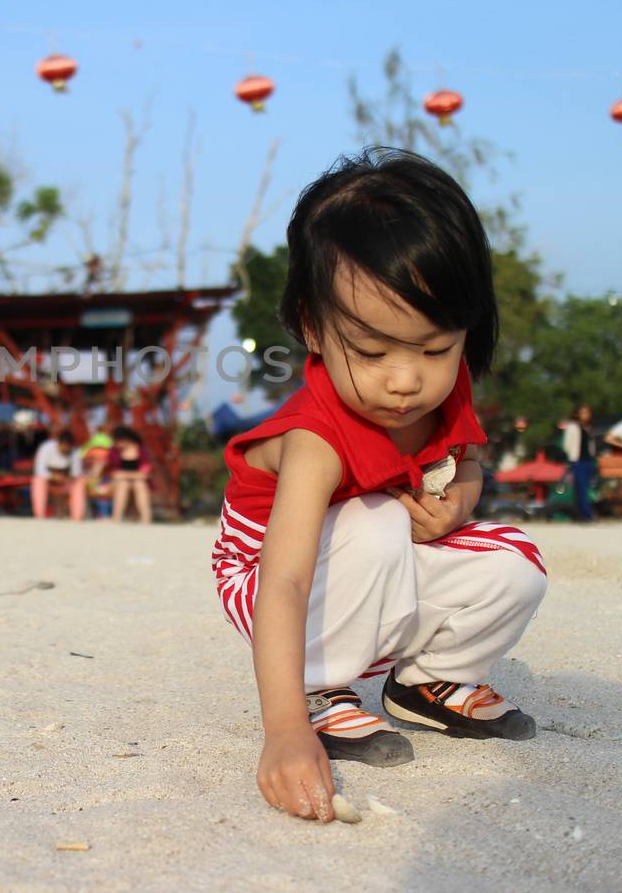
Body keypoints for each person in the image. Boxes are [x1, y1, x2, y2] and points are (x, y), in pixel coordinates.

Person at [212, 149, 547, 823]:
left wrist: (461, 498)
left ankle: (427, 683)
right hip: (268, 580)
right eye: (371, 351)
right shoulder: (315, 440)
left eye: (434, 349)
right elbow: (282, 582)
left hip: (372, 563)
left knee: (514, 564)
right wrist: (283, 731)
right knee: (374, 519)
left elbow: (470, 461)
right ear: (312, 324)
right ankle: (320, 693)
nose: (405, 380)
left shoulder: (444, 393)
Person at [31, 429, 87, 520]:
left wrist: (64, 479)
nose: (65, 449)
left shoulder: (75, 453)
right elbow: (39, 470)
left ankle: (77, 517)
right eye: (63, 446)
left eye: (68, 447)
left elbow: (76, 473)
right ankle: (39, 516)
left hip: (66, 484)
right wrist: (53, 477)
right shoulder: (46, 448)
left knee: (79, 482)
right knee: (38, 480)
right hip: (48, 483)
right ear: (58, 443)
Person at [560, 404, 599, 523]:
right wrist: (571, 456)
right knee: (581, 489)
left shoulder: (589, 427)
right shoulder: (573, 427)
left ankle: (584, 513)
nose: (586, 415)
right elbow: (567, 444)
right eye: (583, 412)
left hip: (588, 461)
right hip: (578, 461)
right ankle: (585, 514)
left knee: (587, 488)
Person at [108, 426, 153, 523]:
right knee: (124, 484)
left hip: (138, 482)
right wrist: (132, 475)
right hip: (118, 483)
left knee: (139, 484)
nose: (117, 444)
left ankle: (146, 519)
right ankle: (116, 517)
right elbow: (113, 474)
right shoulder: (114, 452)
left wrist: (124, 474)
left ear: (126, 439)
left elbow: (145, 474)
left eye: (118, 441)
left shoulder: (142, 451)